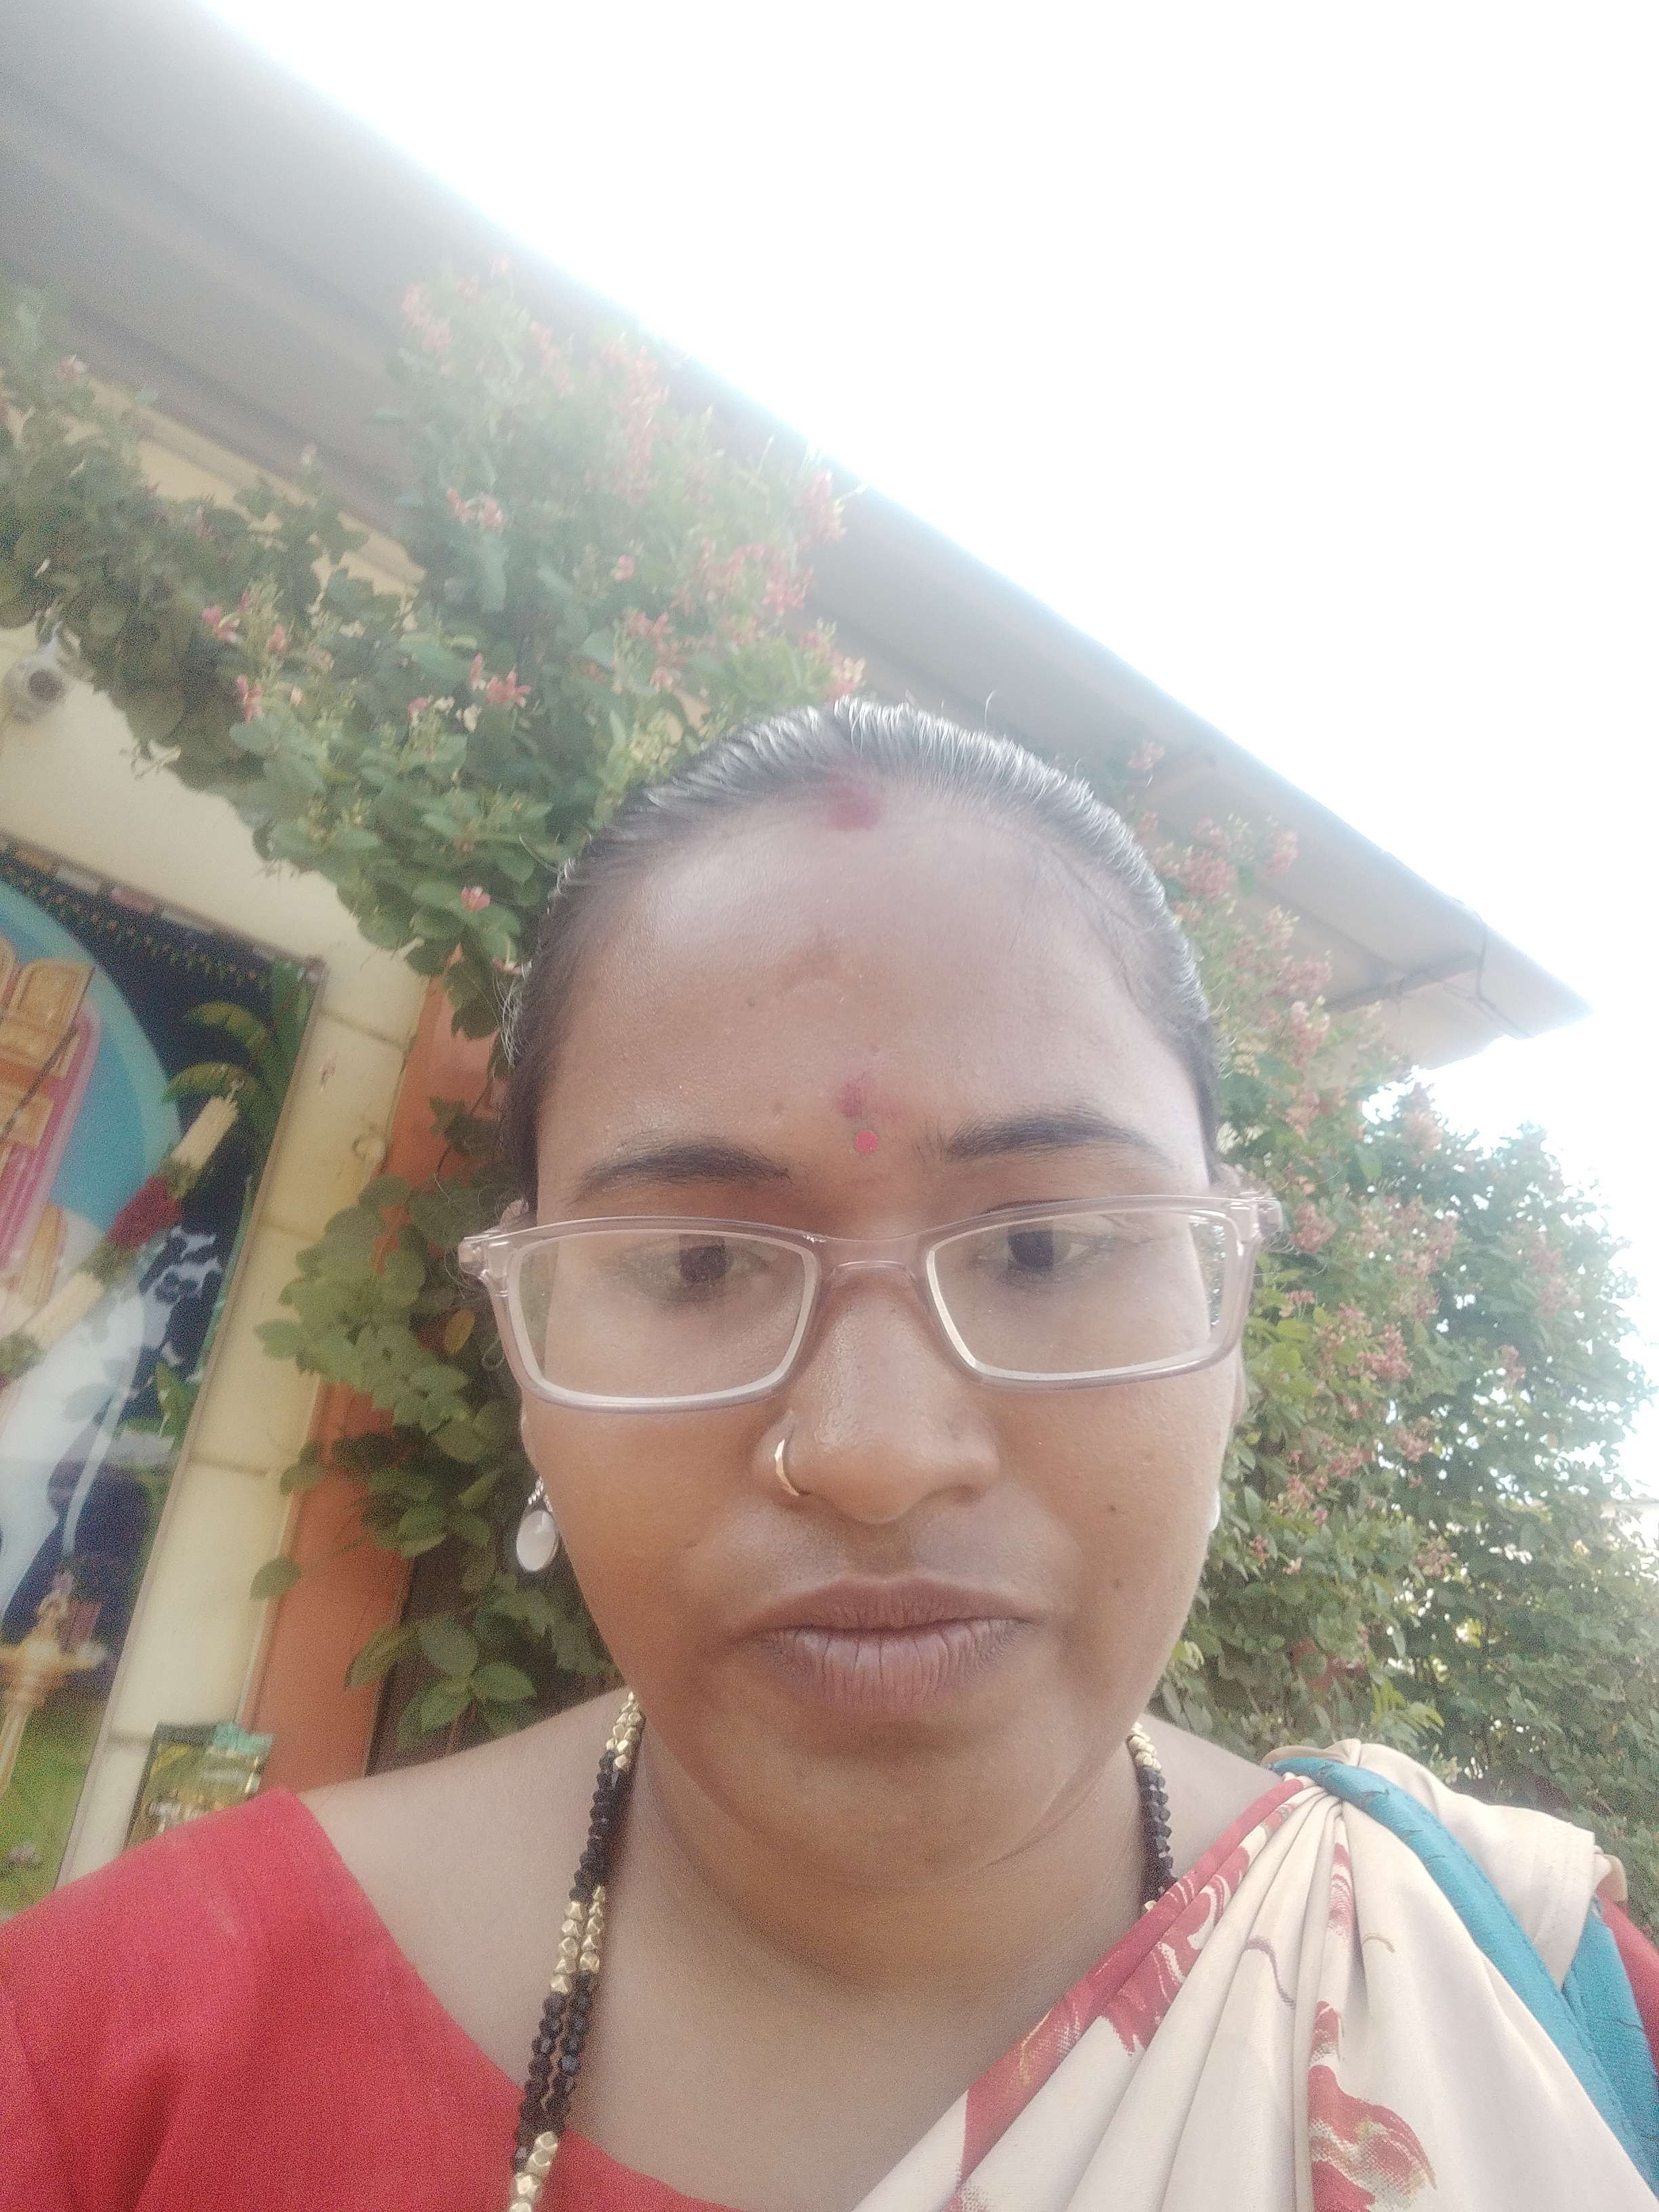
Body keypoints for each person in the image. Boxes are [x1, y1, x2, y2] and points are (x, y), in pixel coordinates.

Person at [3, 701, 1658, 2212]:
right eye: (697, 1264)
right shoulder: (106, 2071)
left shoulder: (1532, 2019)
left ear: (1224, 1322)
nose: (874, 1456)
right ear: (528, 1358)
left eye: (1043, 1248)